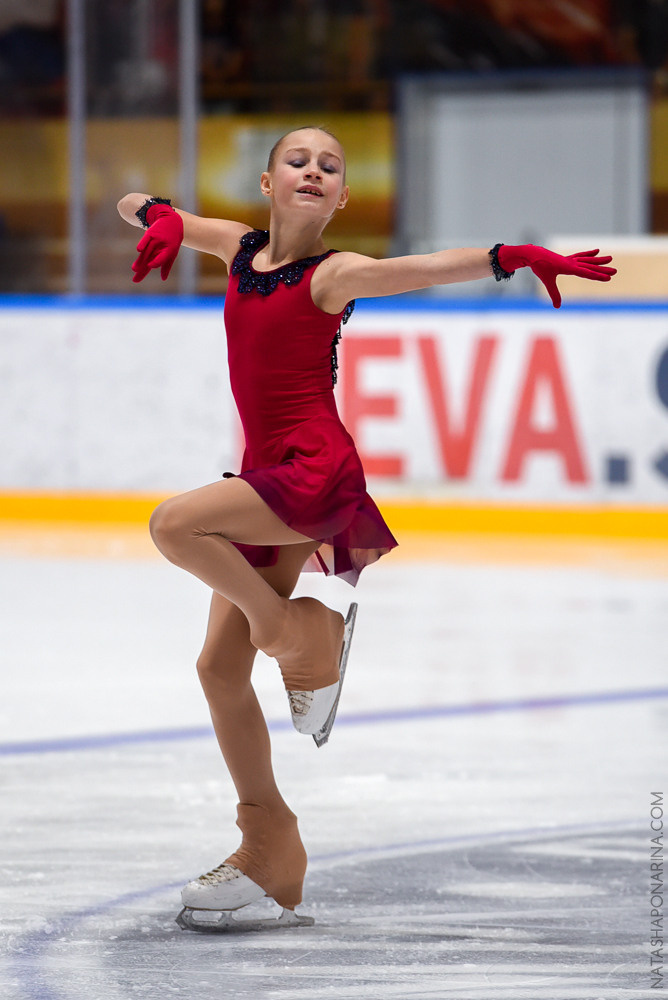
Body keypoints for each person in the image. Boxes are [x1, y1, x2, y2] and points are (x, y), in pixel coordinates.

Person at [117, 125, 615, 928]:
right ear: (269, 182)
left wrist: (509, 256)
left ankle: (295, 633)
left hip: (310, 469)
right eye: (298, 160)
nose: (313, 170)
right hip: (262, 476)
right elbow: (131, 201)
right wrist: (163, 218)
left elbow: (417, 271)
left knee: (174, 525)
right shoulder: (240, 249)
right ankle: (270, 845)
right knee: (216, 669)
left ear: (341, 197)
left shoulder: (333, 274)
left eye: (330, 166)